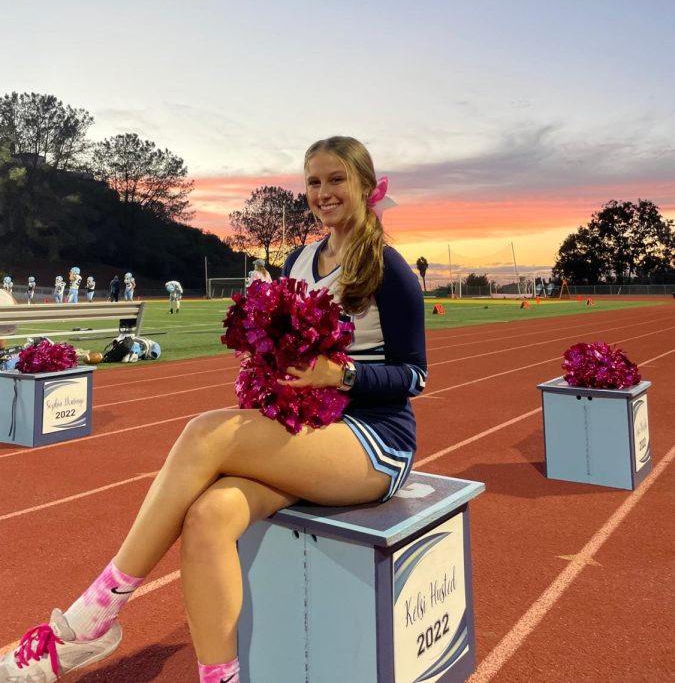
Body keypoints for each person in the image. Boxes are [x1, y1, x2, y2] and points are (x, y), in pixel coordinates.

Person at [0, 135, 427, 683]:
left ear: (366, 185)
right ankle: (219, 676)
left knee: (205, 433)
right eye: (314, 181)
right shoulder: (300, 259)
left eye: (336, 179)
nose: (323, 192)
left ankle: (95, 615)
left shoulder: (390, 268)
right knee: (207, 518)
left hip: (372, 441)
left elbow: (414, 375)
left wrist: (338, 374)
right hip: (305, 430)